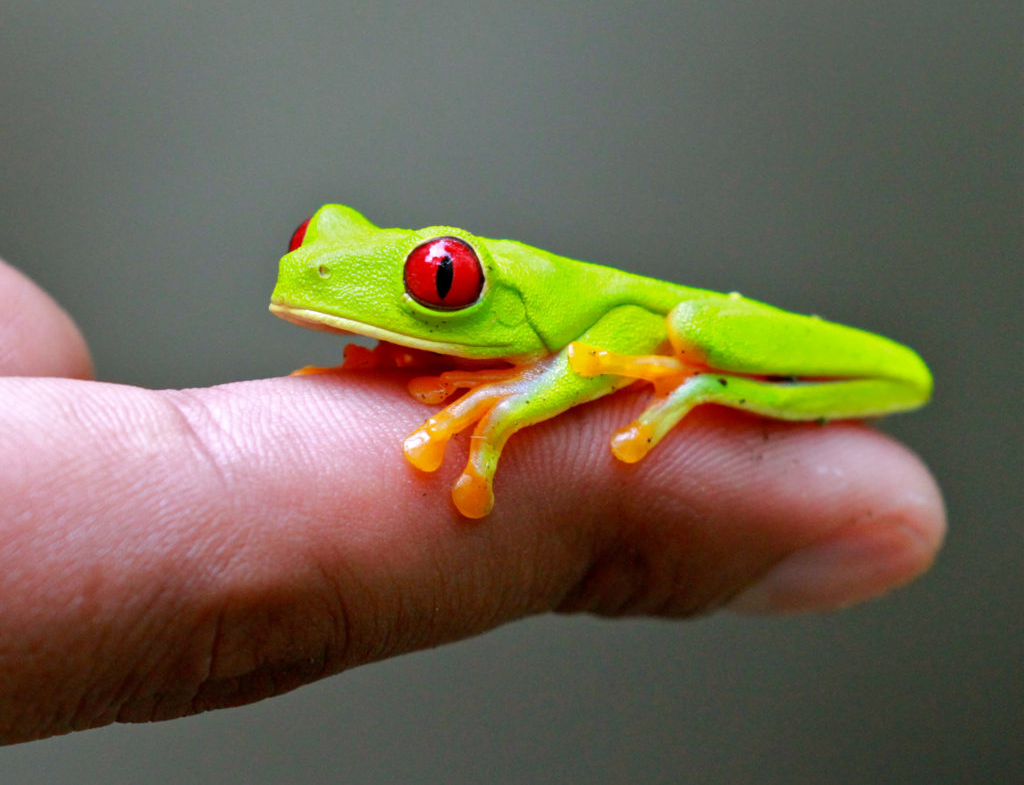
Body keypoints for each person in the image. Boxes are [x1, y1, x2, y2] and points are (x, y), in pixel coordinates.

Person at [0, 258, 945, 744]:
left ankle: (720, 381)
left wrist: (522, 404)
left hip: (679, 342)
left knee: (691, 328)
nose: (312, 271)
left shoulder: (577, 314)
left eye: (435, 281)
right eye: (303, 245)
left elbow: (617, 333)